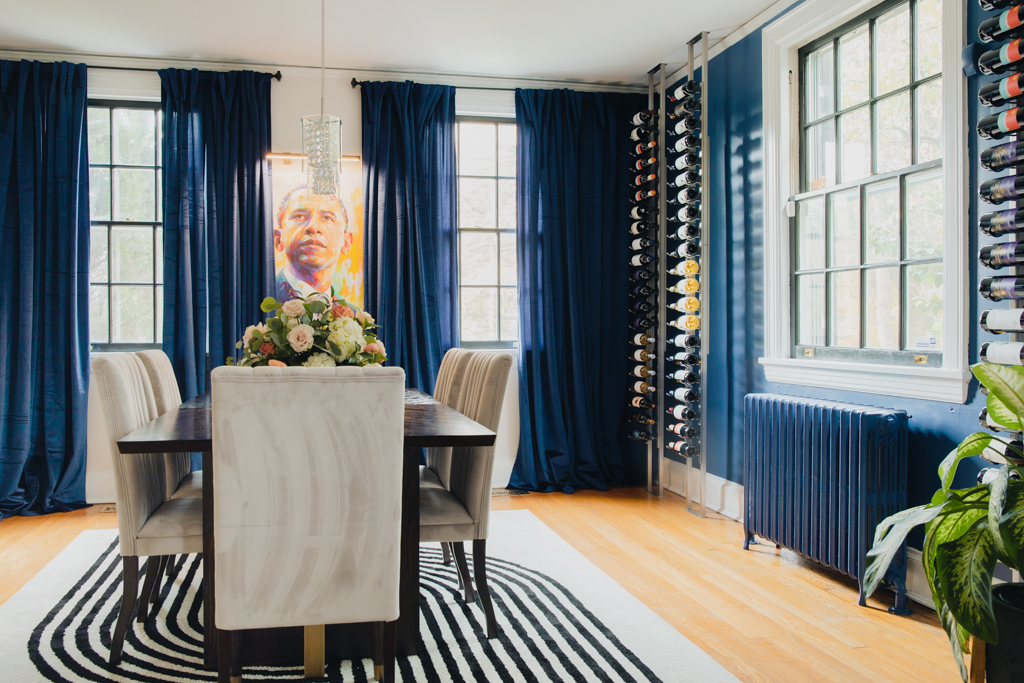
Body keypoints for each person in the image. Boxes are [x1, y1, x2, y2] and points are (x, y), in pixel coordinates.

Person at [274, 184, 353, 301]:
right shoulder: (256, 305)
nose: (313, 227)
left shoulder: (355, 316)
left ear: (346, 243)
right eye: (299, 216)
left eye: (327, 218)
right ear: (278, 240)